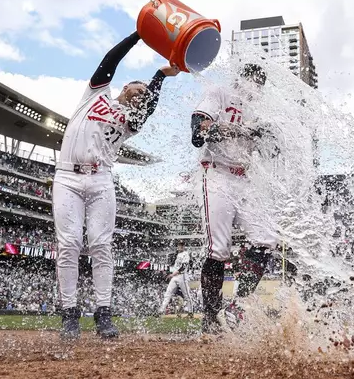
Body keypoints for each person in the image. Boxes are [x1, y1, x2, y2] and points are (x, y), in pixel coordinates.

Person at [54, 30, 180, 340]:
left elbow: (148, 107)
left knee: (101, 245)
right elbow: (110, 59)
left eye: (142, 93)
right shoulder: (95, 95)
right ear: (123, 87)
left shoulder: (130, 121)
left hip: (101, 180)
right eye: (136, 89)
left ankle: (103, 313)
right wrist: (139, 34)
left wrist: (159, 75)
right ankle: (70, 314)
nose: (139, 95)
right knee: (69, 244)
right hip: (68, 177)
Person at [190, 63, 280, 334]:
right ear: (241, 79)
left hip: (245, 178)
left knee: (266, 239)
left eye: (260, 83)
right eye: (253, 80)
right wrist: (242, 131)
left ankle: (237, 305)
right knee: (218, 249)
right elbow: (198, 130)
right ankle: (210, 319)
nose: (256, 87)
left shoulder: (260, 111)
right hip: (216, 172)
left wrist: (266, 136)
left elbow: (272, 150)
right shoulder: (220, 92)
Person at [158, 243, 194, 316]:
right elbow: (175, 266)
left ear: (184, 246)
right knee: (168, 293)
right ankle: (160, 311)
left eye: (182, 245)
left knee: (186, 295)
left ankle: (190, 312)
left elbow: (183, 267)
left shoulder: (186, 254)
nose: (180, 246)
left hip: (182, 276)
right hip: (175, 276)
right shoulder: (177, 255)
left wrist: (172, 274)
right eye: (179, 245)